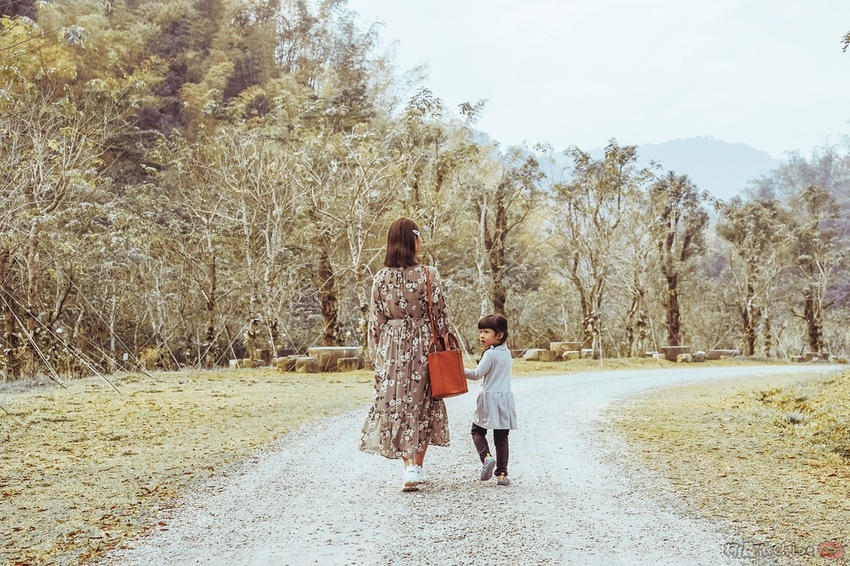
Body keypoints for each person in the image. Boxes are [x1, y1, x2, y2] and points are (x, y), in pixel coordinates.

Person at [359, 217, 452, 492]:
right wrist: (447, 343)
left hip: (391, 347)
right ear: (414, 241)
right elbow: (441, 314)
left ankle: (408, 467)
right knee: (423, 402)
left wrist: (378, 355)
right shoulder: (429, 274)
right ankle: (416, 466)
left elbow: (375, 322)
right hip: (424, 344)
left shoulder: (380, 278)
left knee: (398, 403)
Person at [464, 314, 517, 486]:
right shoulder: (506, 353)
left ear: (499, 335)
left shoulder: (490, 354)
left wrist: (457, 369)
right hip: (504, 399)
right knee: (501, 438)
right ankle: (502, 475)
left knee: (477, 431)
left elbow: (476, 374)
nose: (481, 336)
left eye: (486, 332)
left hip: (488, 399)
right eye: (480, 331)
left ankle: (486, 457)